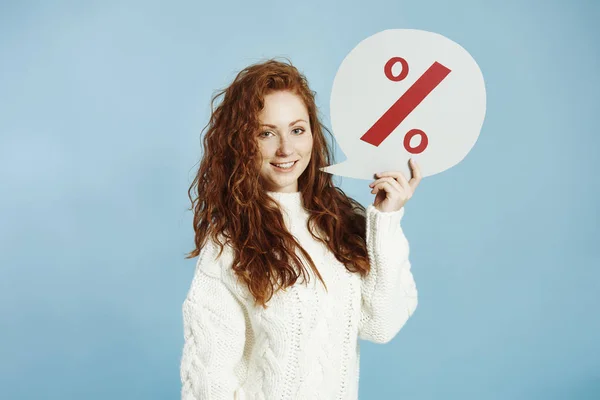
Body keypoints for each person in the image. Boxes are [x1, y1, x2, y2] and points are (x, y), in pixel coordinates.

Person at [180, 58, 421, 400]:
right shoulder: (228, 245)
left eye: (297, 130)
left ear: (312, 133)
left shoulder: (340, 220)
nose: (286, 149)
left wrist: (385, 220)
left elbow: (380, 325)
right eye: (266, 133)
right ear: (241, 143)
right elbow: (209, 383)